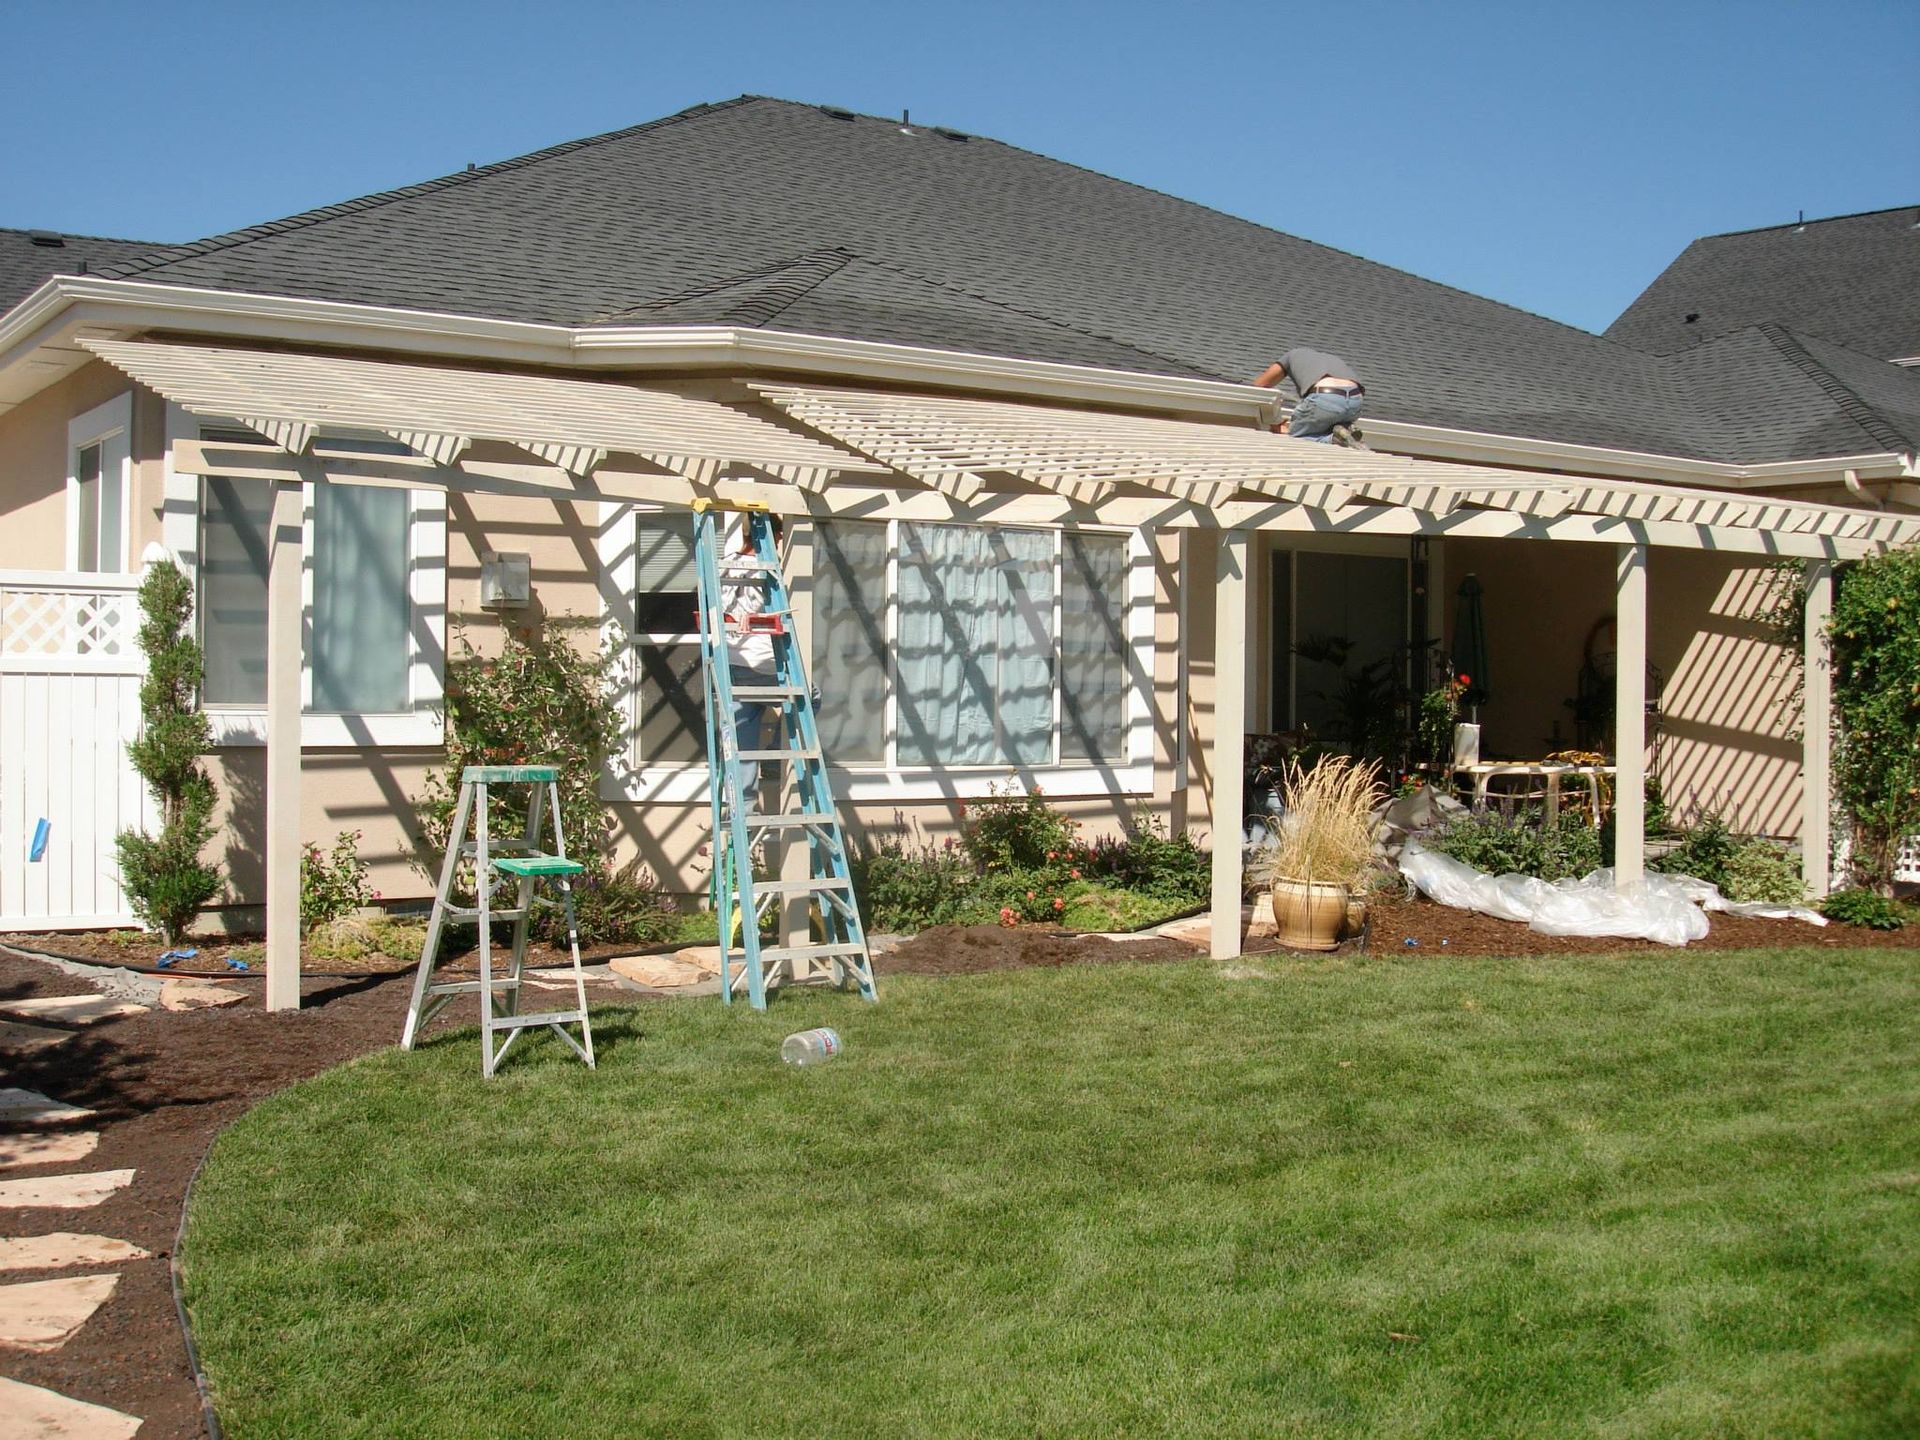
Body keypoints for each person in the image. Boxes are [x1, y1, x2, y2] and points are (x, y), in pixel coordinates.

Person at [721, 516, 784, 799]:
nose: (781, 542)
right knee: (812, 697)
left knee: (744, 752)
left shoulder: (723, 565)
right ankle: (773, 757)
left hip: (731, 666)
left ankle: (740, 819)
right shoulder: (766, 569)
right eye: (780, 535)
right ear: (771, 536)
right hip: (764, 665)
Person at [1252, 347, 1365, 442]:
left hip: (1326, 398)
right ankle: (1345, 429)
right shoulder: (1330, 358)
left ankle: (1333, 438)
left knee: (1294, 436)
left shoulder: (1290, 356)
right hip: (1355, 400)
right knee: (1324, 422)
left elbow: (1260, 385)